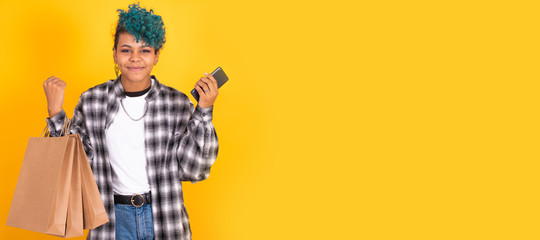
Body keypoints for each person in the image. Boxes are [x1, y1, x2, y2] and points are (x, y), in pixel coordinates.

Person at [43, 3, 219, 240]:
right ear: (115, 53)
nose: (135, 58)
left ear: (156, 55)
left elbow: (195, 170)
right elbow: (71, 170)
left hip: (165, 220)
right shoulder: (93, 101)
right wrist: (55, 112)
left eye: (145, 50)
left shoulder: (177, 104)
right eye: (126, 50)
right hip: (112, 222)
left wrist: (204, 111)